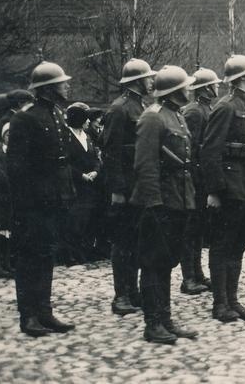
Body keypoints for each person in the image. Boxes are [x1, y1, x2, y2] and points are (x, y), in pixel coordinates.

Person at [7, 62, 76, 337]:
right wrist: (27, 205)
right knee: (28, 259)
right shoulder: (25, 118)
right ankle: (29, 316)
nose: (67, 85)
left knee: (46, 256)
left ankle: (45, 312)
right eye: (62, 82)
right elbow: (17, 168)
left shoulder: (55, 114)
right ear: (48, 88)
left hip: (51, 200)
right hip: (32, 205)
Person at [131, 65, 198, 344]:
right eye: (186, 85)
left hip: (179, 199)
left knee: (167, 262)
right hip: (160, 202)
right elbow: (145, 165)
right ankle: (153, 323)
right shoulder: (153, 118)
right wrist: (154, 203)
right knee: (152, 262)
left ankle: (165, 318)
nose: (189, 89)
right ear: (175, 90)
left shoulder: (177, 117)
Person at [201, 55, 245, 323]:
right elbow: (210, 150)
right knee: (222, 245)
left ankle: (233, 300)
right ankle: (220, 303)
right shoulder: (225, 106)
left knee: (239, 244)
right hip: (229, 187)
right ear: (242, 78)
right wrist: (214, 191)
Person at [102, 58, 156, 316]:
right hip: (125, 187)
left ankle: (133, 292)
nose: (151, 81)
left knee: (137, 240)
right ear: (136, 81)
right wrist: (117, 189)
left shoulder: (140, 106)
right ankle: (121, 295)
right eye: (147, 78)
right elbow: (110, 152)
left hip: (138, 186)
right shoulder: (119, 109)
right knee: (123, 242)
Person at [178, 67, 220, 296]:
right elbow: (192, 150)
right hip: (195, 180)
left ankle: (198, 273)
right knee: (190, 231)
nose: (217, 87)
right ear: (205, 88)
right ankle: (188, 278)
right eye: (214, 84)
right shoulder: (194, 112)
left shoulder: (207, 109)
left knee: (198, 230)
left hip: (203, 180)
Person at [62, 103, 103, 266]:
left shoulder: (87, 136)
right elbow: (65, 162)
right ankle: (71, 254)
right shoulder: (66, 137)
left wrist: (96, 171)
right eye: (85, 118)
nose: (88, 121)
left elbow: (95, 158)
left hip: (91, 184)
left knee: (88, 220)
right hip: (75, 185)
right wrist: (80, 175)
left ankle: (85, 252)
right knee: (74, 221)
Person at [0, 122, 11, 278]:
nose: (10, 137)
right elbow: (0, 175)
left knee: (7, 230)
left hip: (10, 198)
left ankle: (7, 264)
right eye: (7, 134)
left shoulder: (15, 152)